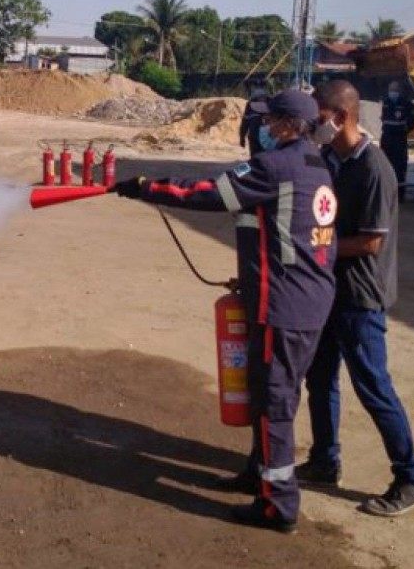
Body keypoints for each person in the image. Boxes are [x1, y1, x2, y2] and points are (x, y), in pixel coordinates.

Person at [113, 90, 337, 533]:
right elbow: (284, 234)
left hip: (284, 308)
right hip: (304, 300)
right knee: (268, 392)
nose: (265, 130)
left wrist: (146, 188)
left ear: (291, 125)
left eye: (273, 122)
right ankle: (259, 473)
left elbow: (210, 192)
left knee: (274, 403)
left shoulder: (276, 166)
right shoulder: (317, 165)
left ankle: (278, 505)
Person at [298, 79, 414, 518]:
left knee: (373, 386)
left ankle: (412, 476)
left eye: (317, 118)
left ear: (340, 117)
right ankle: (324, 460)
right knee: (319, 380)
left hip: (360, 295)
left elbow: (371, 243)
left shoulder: (375, 168)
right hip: (329, 291)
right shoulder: (327, 159)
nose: (311, 125)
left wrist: (317, 247)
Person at [380, 80, 414, 201]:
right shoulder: (385, 103)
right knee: (386, 166)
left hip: (399, 140)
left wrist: (404, 130)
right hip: (386, 139)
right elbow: (383, 119)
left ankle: (400, 196)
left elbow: (412, 121)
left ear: (399, 91)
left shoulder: (406, 104)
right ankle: (386, 194)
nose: (392, 92)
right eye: (391, 90)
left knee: (400, 168)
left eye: (394, 90)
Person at [238, 77, 268, 156]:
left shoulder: (250, 104)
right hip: (268, 137)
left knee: (255, 158)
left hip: (255, 136)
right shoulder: (271, 102)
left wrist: (242, 138)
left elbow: (245, 123)